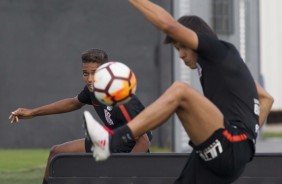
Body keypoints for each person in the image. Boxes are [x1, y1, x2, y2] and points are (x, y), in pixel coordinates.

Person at [83, 1, 274, 184]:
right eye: (177, 49)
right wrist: (249, 137)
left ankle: (110, 141)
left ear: (196, 39)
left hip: (232, 144)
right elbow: (266, 98)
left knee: (180, 92)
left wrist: (243, 139)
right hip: (224, 152)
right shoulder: (225, 69)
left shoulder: (220, 51)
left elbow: (169, 26)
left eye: (183, 47)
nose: (181, 54)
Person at [9, 48, 152, 184]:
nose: (90, 79)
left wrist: (125, 172)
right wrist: (32, 112)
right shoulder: (93, 90)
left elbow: (144, 141)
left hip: (129, 149)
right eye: (85, 73)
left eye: (94, 73)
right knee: (56, 153)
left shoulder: (122, 98)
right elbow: (73, 103)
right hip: (110, 141)